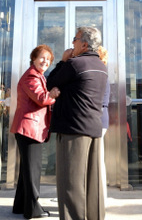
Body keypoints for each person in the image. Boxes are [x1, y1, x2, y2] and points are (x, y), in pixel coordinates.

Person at [47, 26, 108, 220]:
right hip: (93, 128)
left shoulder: (74, 64)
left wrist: (63, 61)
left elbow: (50, 83)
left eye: (74, 39)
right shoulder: (101, 66)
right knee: (92, 182)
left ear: (84, 44)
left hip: (73, 129)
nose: (71, 43)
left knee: (70, 182)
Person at [10, 44, 60, 218]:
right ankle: (33, 210)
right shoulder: (32, 75)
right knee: (33, 170)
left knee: (27, 170)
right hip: (29, 128)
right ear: (33, 58)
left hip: (28, 128)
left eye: (48, 59)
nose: (45, 61)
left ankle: (20, 206)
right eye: (42, 58)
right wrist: (53, 94)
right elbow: (41, 99)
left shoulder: (38, 75)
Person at [98, 46, 110, 205]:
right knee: (98, 160)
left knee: (97, 162)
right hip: (100, 119)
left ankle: (100, 198)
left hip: (97, 119)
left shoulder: (100, 74)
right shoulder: (103, 73)